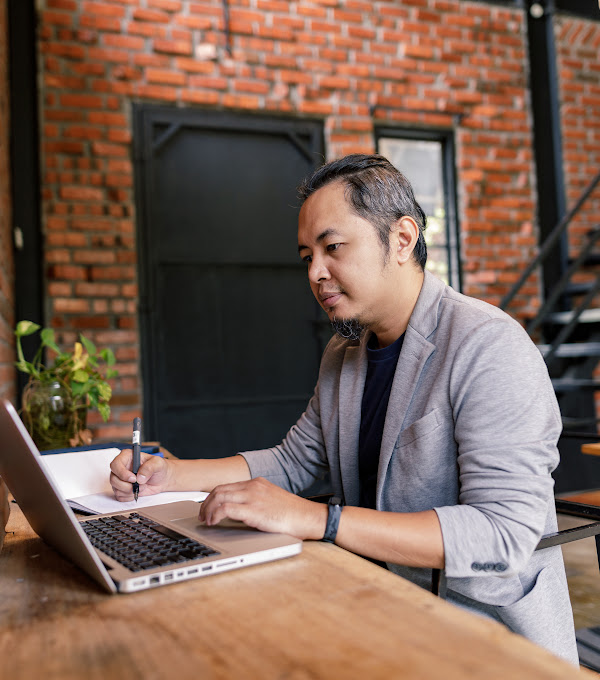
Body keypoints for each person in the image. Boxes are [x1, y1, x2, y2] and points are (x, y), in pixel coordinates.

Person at [110, 154, 577, 663]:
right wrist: (169, 475)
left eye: (333, 248)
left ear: (402, 239)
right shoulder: (345, 351)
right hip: (381, 606)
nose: (315, 272)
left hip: (486, 637)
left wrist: (322, 521)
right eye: (306, 255)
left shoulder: (489, 346)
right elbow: (294, 463)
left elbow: (502, 533)